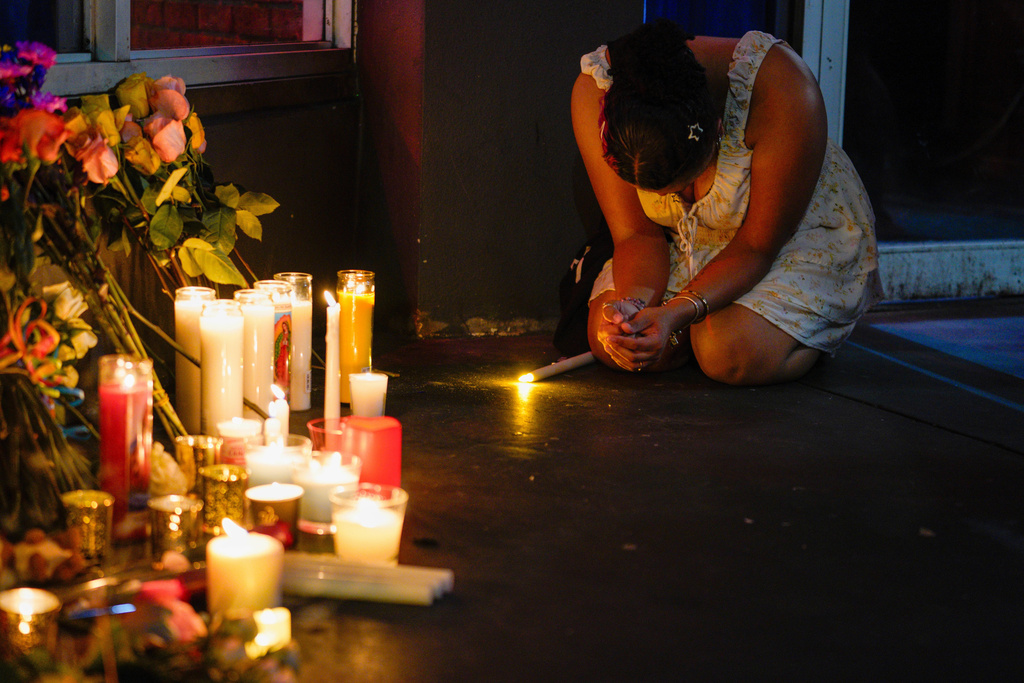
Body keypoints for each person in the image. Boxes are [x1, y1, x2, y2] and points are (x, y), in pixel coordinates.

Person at [571, 20, 883, 385]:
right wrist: (634, 312)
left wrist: (677, 313)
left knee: (726, 352)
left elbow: (756, 247)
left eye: (679, 186)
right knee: (610, 341)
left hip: (782, 236)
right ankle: (697, 333)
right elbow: (637, 235)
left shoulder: (782, 87)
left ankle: (802, 335)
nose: (668, 201)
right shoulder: (597, 92)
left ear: (718, 129)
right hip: (686, 243)